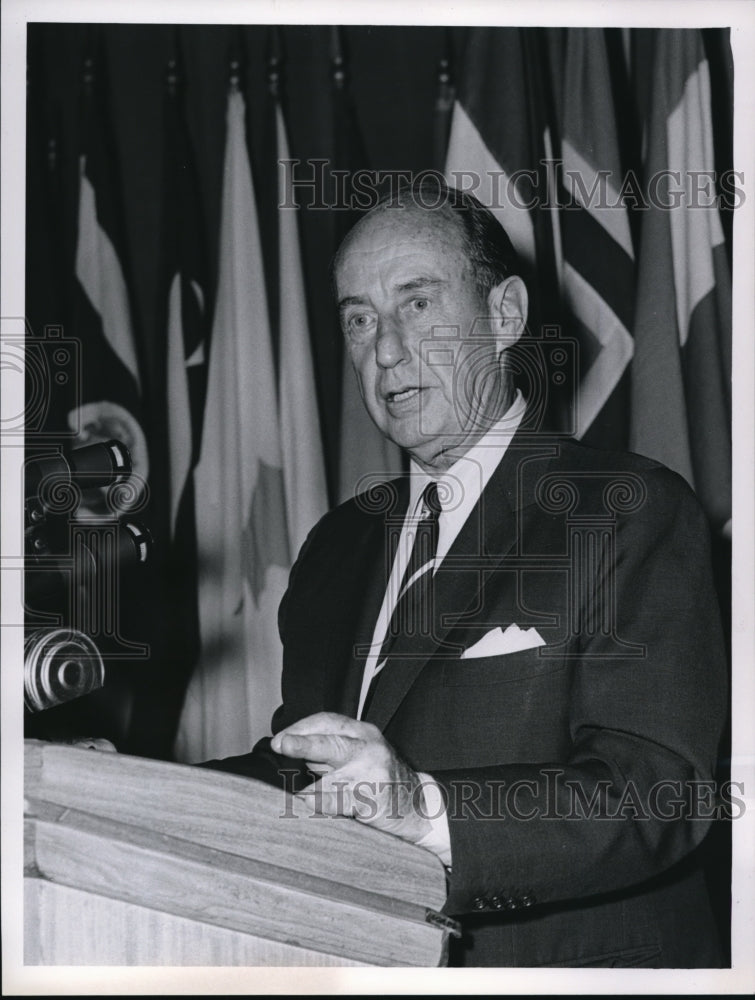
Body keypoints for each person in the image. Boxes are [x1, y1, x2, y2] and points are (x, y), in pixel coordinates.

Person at [204, 180, 727, 967]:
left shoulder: (625, 510)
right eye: (358, 319)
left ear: (506, 315)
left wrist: (421, 806)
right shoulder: (335, 548)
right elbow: (308, 767)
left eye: (416, 305)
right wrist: (113, 785)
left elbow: (657, 793)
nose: (384, 351)